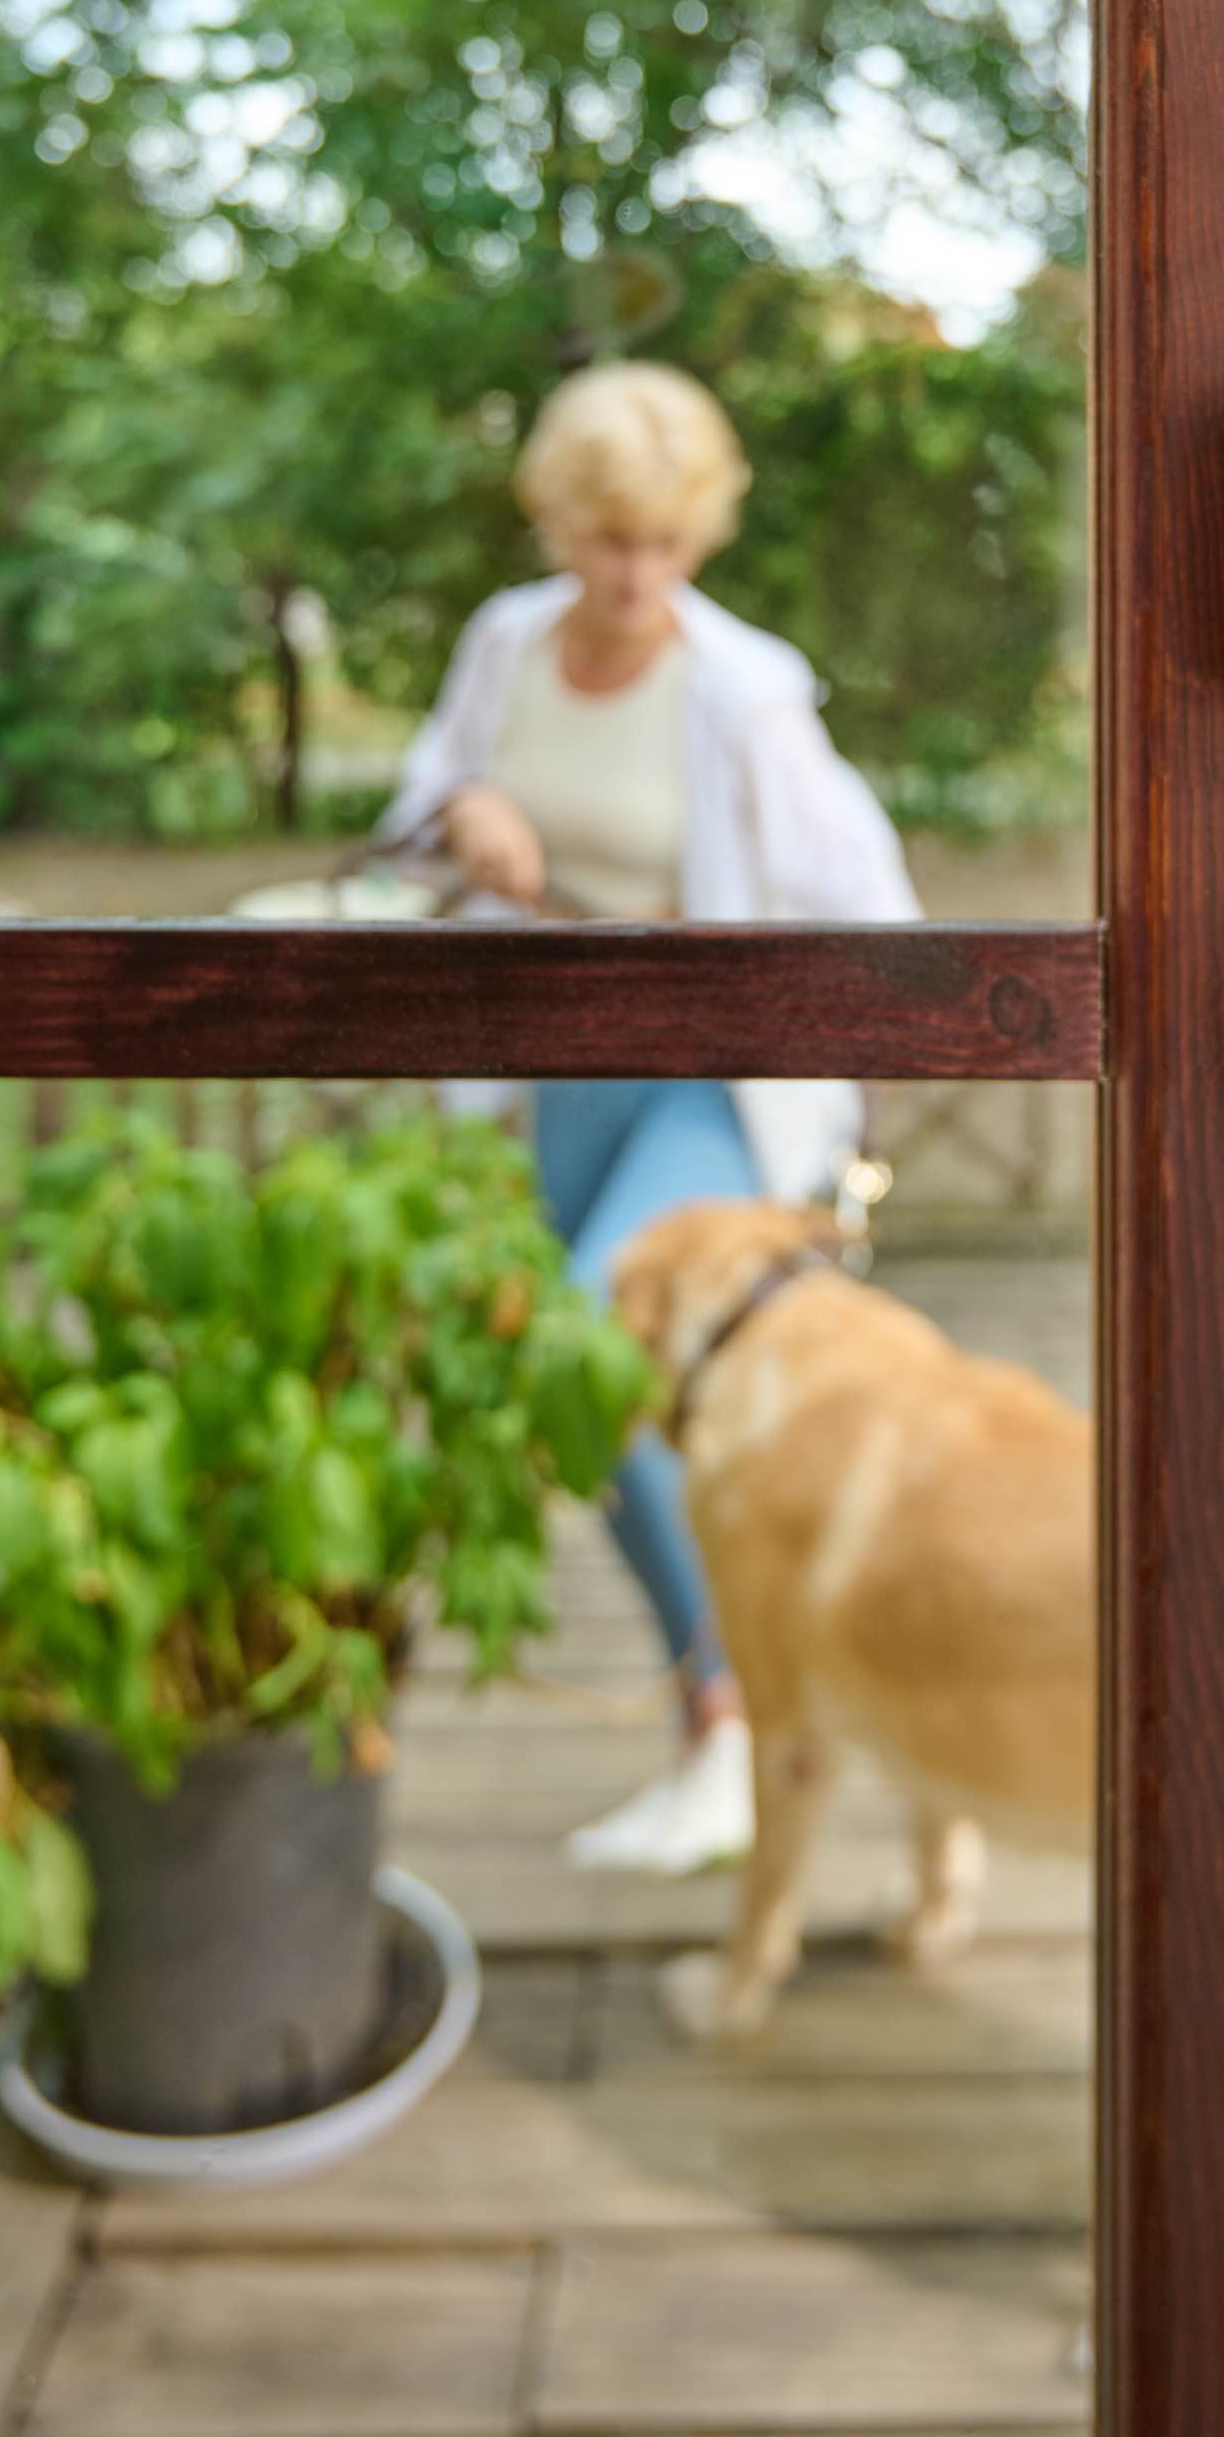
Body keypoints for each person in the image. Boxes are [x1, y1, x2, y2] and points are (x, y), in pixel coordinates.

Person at [376, 361, 919, 1872]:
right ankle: (725, 1729)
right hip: (566, 1063)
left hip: (708, 1069)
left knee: (586, 1348)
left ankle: (749, 1721)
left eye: (668, 543)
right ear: (556, 518)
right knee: (613, 1415)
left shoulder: (744, 688)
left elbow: (865, 896)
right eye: (610, 539)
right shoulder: (505, 646)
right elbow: (422, 808)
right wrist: (467, 821)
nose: (637, 575)